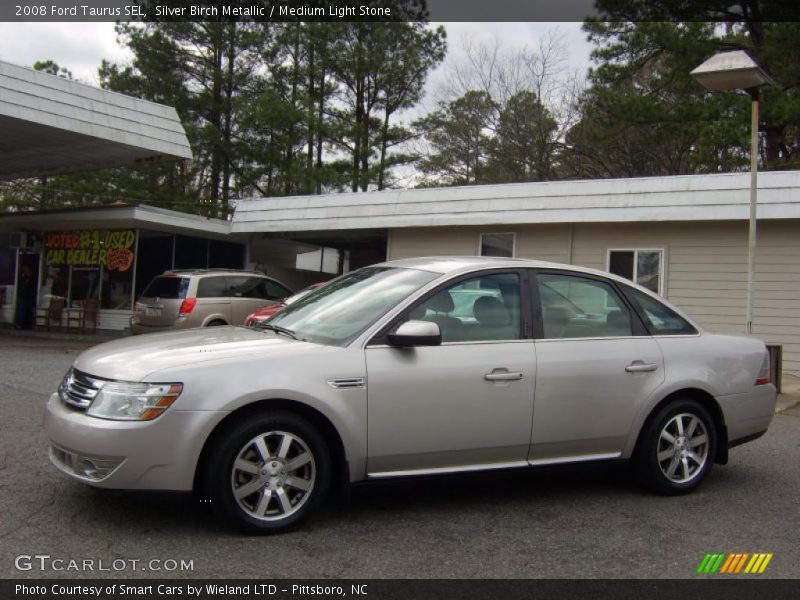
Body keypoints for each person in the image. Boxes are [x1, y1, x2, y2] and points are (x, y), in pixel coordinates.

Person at [14, 264, 36, 330]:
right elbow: (20, 285)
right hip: (23, 296)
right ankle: (18, 324)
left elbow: (33, 285)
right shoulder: (22, 277)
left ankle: (28, 324)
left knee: (29, 311)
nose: (25, 270)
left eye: (26, 269)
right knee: (21, 310)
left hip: (29, 297)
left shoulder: (31, 277)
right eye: (24, 269)